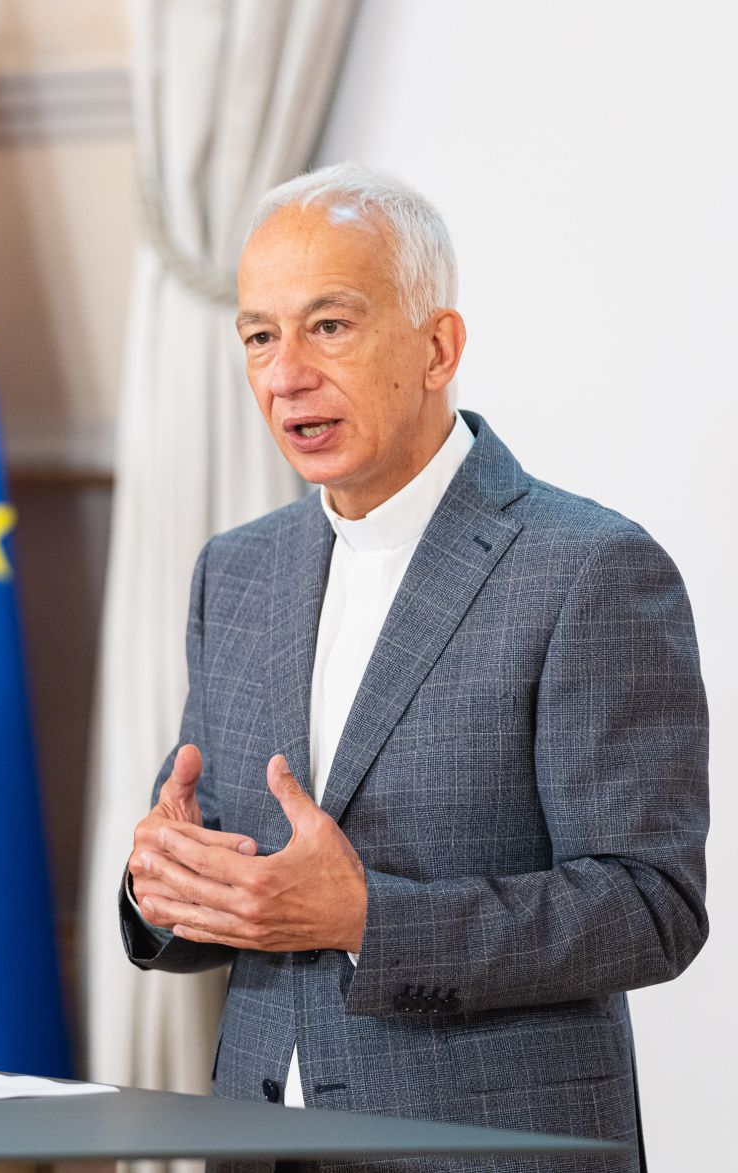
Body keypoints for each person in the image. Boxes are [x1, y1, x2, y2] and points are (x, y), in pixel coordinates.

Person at [119, 164, 708, 1170]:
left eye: (328, 327)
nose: (283, 373)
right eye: (258, 335)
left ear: (437, 348)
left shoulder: (586, 567)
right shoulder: (236, 571)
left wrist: (368, 918)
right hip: (254, 1138)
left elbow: (650, 906)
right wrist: (164, 882)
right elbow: (230, 862)